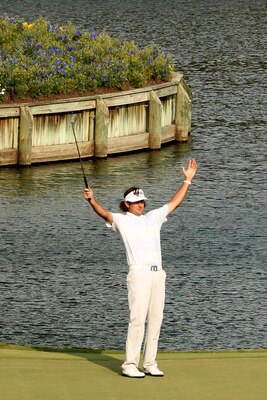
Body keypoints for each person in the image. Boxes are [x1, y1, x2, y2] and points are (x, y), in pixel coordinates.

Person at [84, 159, 197, 378]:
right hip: (138, 273)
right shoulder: (121, 220)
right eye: (136, 202)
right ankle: (129, 365)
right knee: (137, 319)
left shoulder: (153, 218)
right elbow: (103, 213)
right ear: (126, 203)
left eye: (142, 201)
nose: (140, 205)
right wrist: (91, 200)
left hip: (158, 274)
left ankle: (150, 363)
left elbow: (174, 203)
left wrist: (187, 181)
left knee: (156, 319)